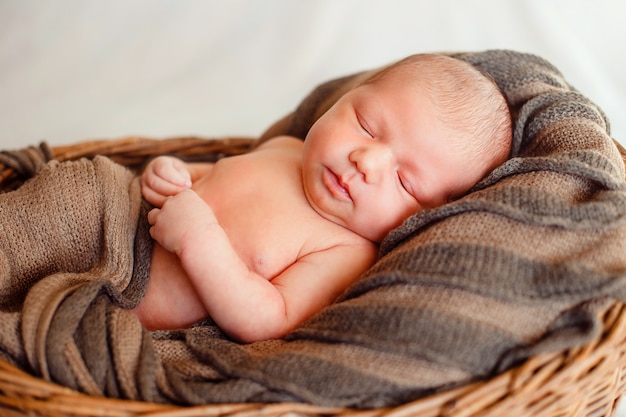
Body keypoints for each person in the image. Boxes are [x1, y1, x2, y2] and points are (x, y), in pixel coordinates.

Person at [132, 53, 513, 343]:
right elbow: (204, 176)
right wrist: (171, 171)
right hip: (121, 219)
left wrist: (198, 240)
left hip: (128, 302)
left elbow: (269, 320)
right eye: (365, 126)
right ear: (342, 99)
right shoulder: (284, 148)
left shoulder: (346, 252)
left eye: (405, 182)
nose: (366, 162)